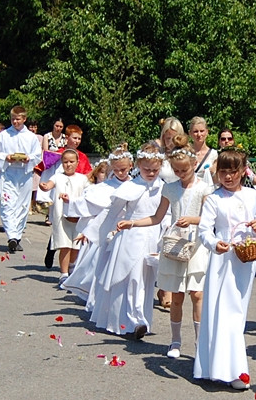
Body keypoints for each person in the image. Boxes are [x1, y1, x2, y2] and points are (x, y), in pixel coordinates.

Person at [118, 135, 211, 358]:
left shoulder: (204, 189)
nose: (180, 175)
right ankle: (175, 341)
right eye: (176, 171)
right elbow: (157, 217)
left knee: (197, 294)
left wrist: (193, 220)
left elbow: (209, 218)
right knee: (176, 295)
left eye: (184, 171)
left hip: (196, 243)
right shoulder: (169, 189)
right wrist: (133, 223)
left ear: (193, 166)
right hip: (175, 244)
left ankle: (199, 343)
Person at [194, 147, 256, 389]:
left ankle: (229, 367)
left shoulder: (253, 196)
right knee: (222, 312)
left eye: (233, 172)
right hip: (222, 260)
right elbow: (204, 230)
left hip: (246, 258)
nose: (228, 177)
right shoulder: (214, 199)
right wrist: (215, 243)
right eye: (223, 172)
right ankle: (230, 370)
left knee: (238, 313)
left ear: (242, 172)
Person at [91, 143, 165, 337]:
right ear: (138, 165)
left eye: (155, 170)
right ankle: (129, 321)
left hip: (152, 236)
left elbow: (166, 214)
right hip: (130, 237)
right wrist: (103, 233)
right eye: (146, 169)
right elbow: (112, 213)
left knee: (145, 278)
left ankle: (141, 320)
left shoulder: (163, 187)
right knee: (130, 278)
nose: (151, 173)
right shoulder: (130, 187)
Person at [64, 149, 134, 306]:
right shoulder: (104, 187)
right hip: (106, 232)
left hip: (129, 233)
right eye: (116, 170)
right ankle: (97, 300)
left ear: (131, 165)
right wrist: (71, 203)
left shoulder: (136, 185)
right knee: (100, 266)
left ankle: (119, 301)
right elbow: (98, 210)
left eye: (123, 169)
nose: (120, 173)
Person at [0, 106, 43, 253]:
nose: (15, 122)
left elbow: (37, 155)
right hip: (8, 173)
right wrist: (5, 157)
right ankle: (11, 236)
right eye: (13, 119)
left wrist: (29, 159)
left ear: (24, 119)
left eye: (18, 119)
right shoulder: (4, 135)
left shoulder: (30, 137)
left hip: (24, 175)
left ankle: (17, 236)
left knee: (22, 206)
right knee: (7, 204)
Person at [39, 149, 89, 285]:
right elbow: (49, 184)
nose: (68, 165)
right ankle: (64, 273)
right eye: (65, 162)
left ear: (77, 163)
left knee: (76, 246)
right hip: (61, 216)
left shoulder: (82, 179)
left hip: (78, 216)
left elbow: (89, 193)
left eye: (72, 162)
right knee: (64, 245)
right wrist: (44, 186)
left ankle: (72, 269)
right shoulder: (57, 176)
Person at [187, 116, 217, 186]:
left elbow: (217, 181)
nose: (199, 134)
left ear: (207, 132)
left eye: (202, 131)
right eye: (195, 131)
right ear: (190, 133)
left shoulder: (214, 154)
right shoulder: (186, 153)